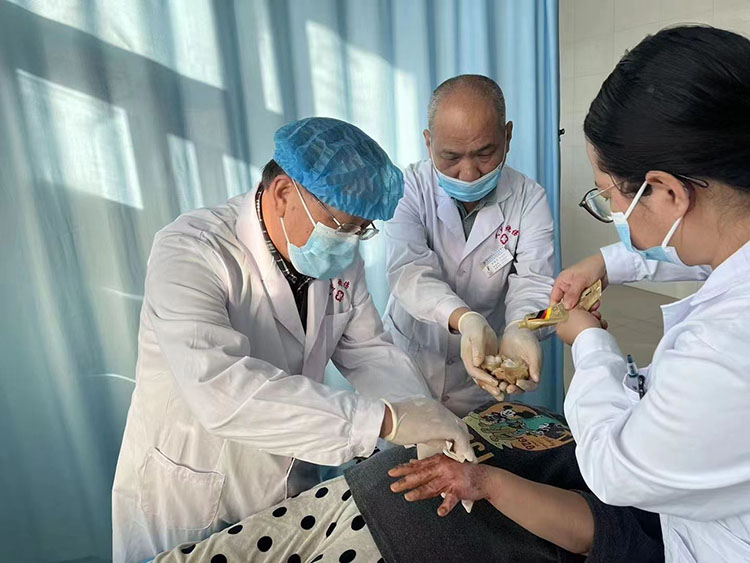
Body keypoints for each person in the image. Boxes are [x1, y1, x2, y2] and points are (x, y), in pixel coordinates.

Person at [112, 117, 474, 563]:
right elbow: (222, 391)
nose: (352, 244)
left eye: (362, 230)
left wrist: (425, 424)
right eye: (342, 225)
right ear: (284, 193)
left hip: (283, 489)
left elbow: (368, 352)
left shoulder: (338, 261)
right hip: (190, 491)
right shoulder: (190, 251)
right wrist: (386, 421)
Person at [551, 26, 750, 562]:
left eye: (609, 196)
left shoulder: (725, 349)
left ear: (666, 191)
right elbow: (708, 249)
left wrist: (588, 343)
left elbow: (615, 470)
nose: (613, 212)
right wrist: (604, 263)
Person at [152, 401, 663, 563]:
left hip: (402, 546)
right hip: (363, 489)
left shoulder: (667, 497)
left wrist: (486, 481)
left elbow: (595, 532)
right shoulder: (620, 424)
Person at [383, 74, 555, 416]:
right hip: (411, 361)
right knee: (404, 443)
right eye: (451, 157)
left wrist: (522, 329)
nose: (468, 173)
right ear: (429, 142)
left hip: (481, 375)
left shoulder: (529, 198)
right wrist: (464, 319)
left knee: (476, 445)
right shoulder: (408, 188)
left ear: (507, 136)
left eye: (484, 153)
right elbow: (409, 272)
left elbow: (534, 282)